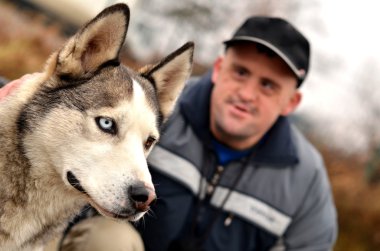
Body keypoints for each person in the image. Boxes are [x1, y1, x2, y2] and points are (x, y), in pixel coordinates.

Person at [1, 16, 337, 251]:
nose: (247, 94)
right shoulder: (148, 107)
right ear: (219, 68)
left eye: (267, 85)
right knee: (106, 241)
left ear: (291, 102)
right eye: (241, 72)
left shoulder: (305, 181)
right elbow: (43, 101)